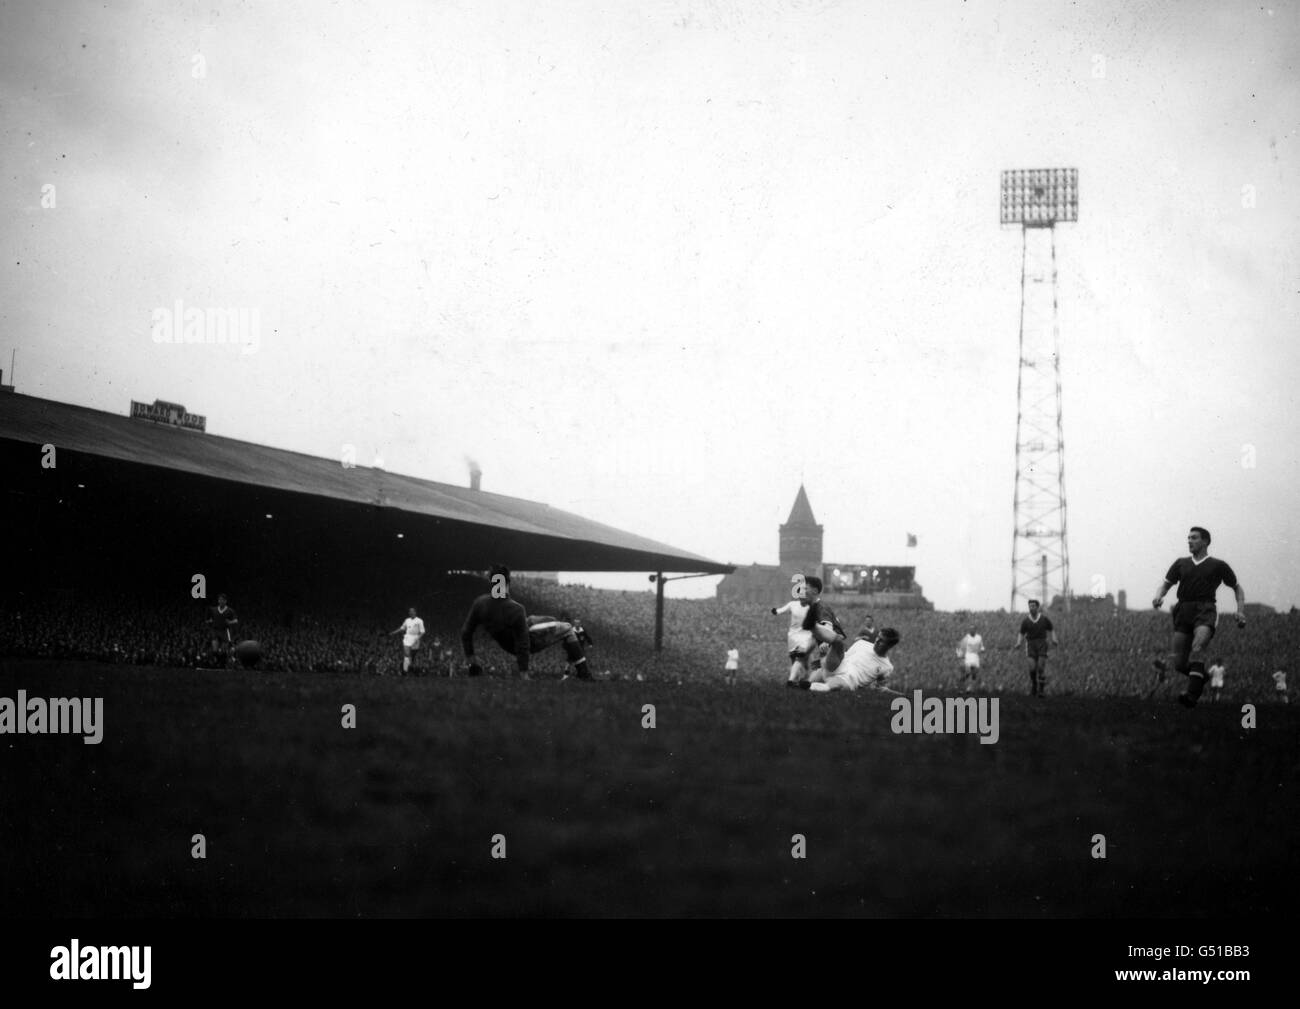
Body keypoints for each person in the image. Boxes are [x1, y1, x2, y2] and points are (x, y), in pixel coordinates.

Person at [1153, 526, 1246, 708]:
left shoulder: (1218, 565)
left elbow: (1237, 587)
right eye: (1188, 538)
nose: (1189, 541)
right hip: (1183, 610)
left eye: (1194, 538)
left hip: (1205, 609)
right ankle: (1201, 677)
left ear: (1205, 541)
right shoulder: (1181, 563)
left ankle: (1191, 696)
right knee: (1179, 664)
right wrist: (1158, 596)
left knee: (1198, 648)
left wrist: (1240, 610)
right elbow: (1165, 585)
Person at [460, 565, 593, 680]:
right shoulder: (516, 609)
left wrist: (473, 664)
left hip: (518, 630)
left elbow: (466, 633)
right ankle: (584, 672)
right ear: (507, 582)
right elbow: (523, 644)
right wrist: (524, 674)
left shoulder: (480, 603)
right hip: (530, 638)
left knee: (538, 619)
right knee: (568, 628)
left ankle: (547, 621)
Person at [799, 627, 902, 693]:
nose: (877, 641)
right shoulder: (862, 643)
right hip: (838, 666)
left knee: (836, 684)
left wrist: (900, 695)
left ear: (889, 646)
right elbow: (844, 656)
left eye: (881, 640)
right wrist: (824, 659)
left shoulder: (887, 667)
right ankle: (813, 626)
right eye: (878, 637)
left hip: (849, 680)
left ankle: (809, 686)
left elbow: (879, 688)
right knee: (838, 641)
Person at [1014, 599, 1058, 697]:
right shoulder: (1026, 621)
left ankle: (1041, 691)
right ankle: (1034, 685)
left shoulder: (1043, 619)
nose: (1031, 608)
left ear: (1037, 607)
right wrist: (1018, 642)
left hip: (1042, 643)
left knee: (1041, 668)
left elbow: (1051, 629)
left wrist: (1054, 638)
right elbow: (1021, 633)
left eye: (1033, 606)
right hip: (1030, 644)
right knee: (1032, 668)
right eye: (1030, 606)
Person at [772, 589, 813, 687]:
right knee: (795, 659)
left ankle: (792, 680)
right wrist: (775, 611)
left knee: (800, 657)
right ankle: (798, 680)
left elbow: (822, 616)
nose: (803, 597)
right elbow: (781, 610)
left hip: (806, 636)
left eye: (805, 595)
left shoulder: (812, 607)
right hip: (793, 636)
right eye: (801, 595)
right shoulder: (793, 604)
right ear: (798, 595)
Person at [389, 607, 425, 675]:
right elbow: (402, 628)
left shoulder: (419, 620)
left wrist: (417, 638)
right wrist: (394, 632)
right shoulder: (407, 620)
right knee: (407, 655)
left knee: (413, 657)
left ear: (415, 612)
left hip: (415, 639)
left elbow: (423, 632)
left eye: (412, 611)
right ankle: (405, 671)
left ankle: (414, 670)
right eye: (409, 611)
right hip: (408, 638)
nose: (411, 612)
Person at [206, 594, 239, 667]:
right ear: (218, 601)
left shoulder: (230, 611)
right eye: (219, 600)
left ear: (225, 601)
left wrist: (230, 622)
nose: (220, 601)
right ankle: (216, 662)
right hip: (215, 630)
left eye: (222, 600)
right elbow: (207, 620)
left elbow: (236, 620)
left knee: (223, 650)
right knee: (215, 649)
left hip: (225, 631)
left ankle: (222, 664)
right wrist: (209, 621)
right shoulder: (213, 609)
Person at [957, 624, 985, 693]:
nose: (971, 630)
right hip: (968, 656)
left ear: (975, 630)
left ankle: (970, 687)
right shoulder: (966, 638)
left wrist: (982, 649)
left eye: (973, 629)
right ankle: (962, 684)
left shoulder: (979, 637)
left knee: (974, 673)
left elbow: (981, 646)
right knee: (968, 671)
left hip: (975, 656)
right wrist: (960, 655)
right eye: (970, 629)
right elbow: (961, 646)